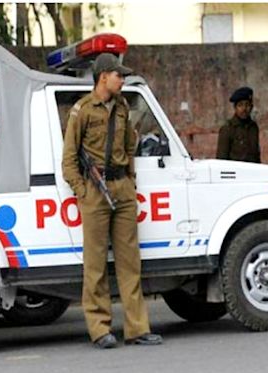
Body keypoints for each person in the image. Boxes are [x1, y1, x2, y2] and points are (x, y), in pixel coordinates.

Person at [62, 53, 163, 349]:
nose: (123, 79)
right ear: (103, 76)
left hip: (122, 187)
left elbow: (129, 148)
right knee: (95, 265)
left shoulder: (121, 107)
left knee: (130, 262)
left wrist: (130, 182)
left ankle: (137, 328)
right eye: (118, 75)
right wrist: (83, 192)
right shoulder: (82, 110)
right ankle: (99, 328)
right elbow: (69, 160)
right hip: (95, 190)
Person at [216, 86, 261, 163]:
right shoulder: (228, 128)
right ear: (235, 108)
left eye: (247, 105)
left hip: (252, 172)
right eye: (240, 105)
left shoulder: (253, 127)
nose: (244, 109)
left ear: (251, 107)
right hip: (236, 172)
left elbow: (256, 155)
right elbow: (221, 159)